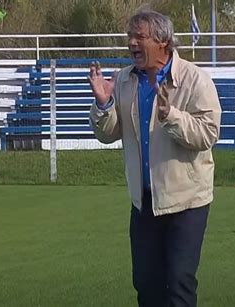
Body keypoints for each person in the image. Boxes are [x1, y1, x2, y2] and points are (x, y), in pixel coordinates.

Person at [88, 9, 221, 307]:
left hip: (186, 202)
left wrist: (171, 116)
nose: (132, 43)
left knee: (178, 283)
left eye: (140, 37)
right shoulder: (123, 80)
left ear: (163, 41)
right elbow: (108, 134)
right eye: (130, 37)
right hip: (144, 202)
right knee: (146, 284)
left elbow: (207, 134)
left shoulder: (194, 79)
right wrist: (104, 103)